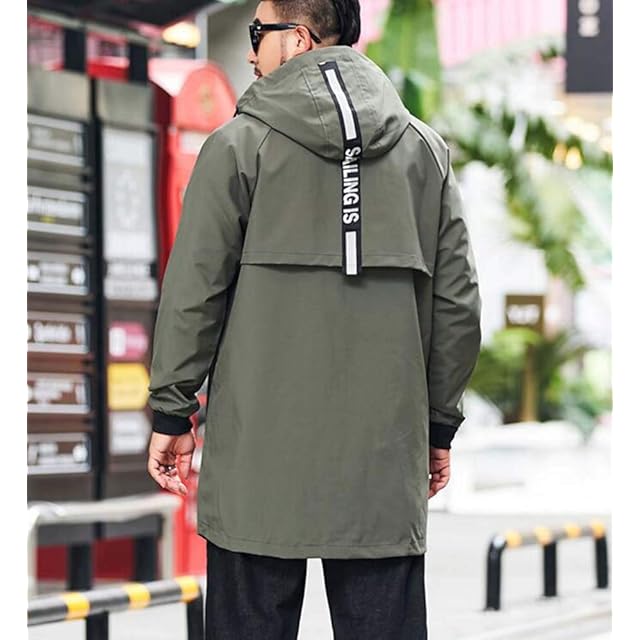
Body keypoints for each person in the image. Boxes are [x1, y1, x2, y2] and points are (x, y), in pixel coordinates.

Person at [146, 0, 481, 637]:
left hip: (256, 465)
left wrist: (171, 410)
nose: (251, 52)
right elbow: (458, 306)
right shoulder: (425, 154)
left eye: (258, 33)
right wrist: (439, 425)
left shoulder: (239, 147)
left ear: (297, 39)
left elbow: (194, 292)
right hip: (382, 464)